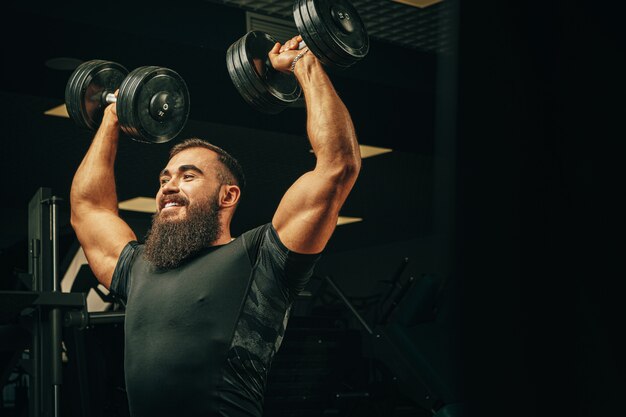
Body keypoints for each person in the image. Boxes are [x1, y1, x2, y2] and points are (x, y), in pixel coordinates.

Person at [69, 35, 361, 417]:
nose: (169, 187)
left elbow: (337, 166)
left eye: (188, 177)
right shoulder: (138, 268)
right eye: (164, 179)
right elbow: (88, 209)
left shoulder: (262, 260)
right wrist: (113, 115)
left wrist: (303, 63)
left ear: (227, 197)